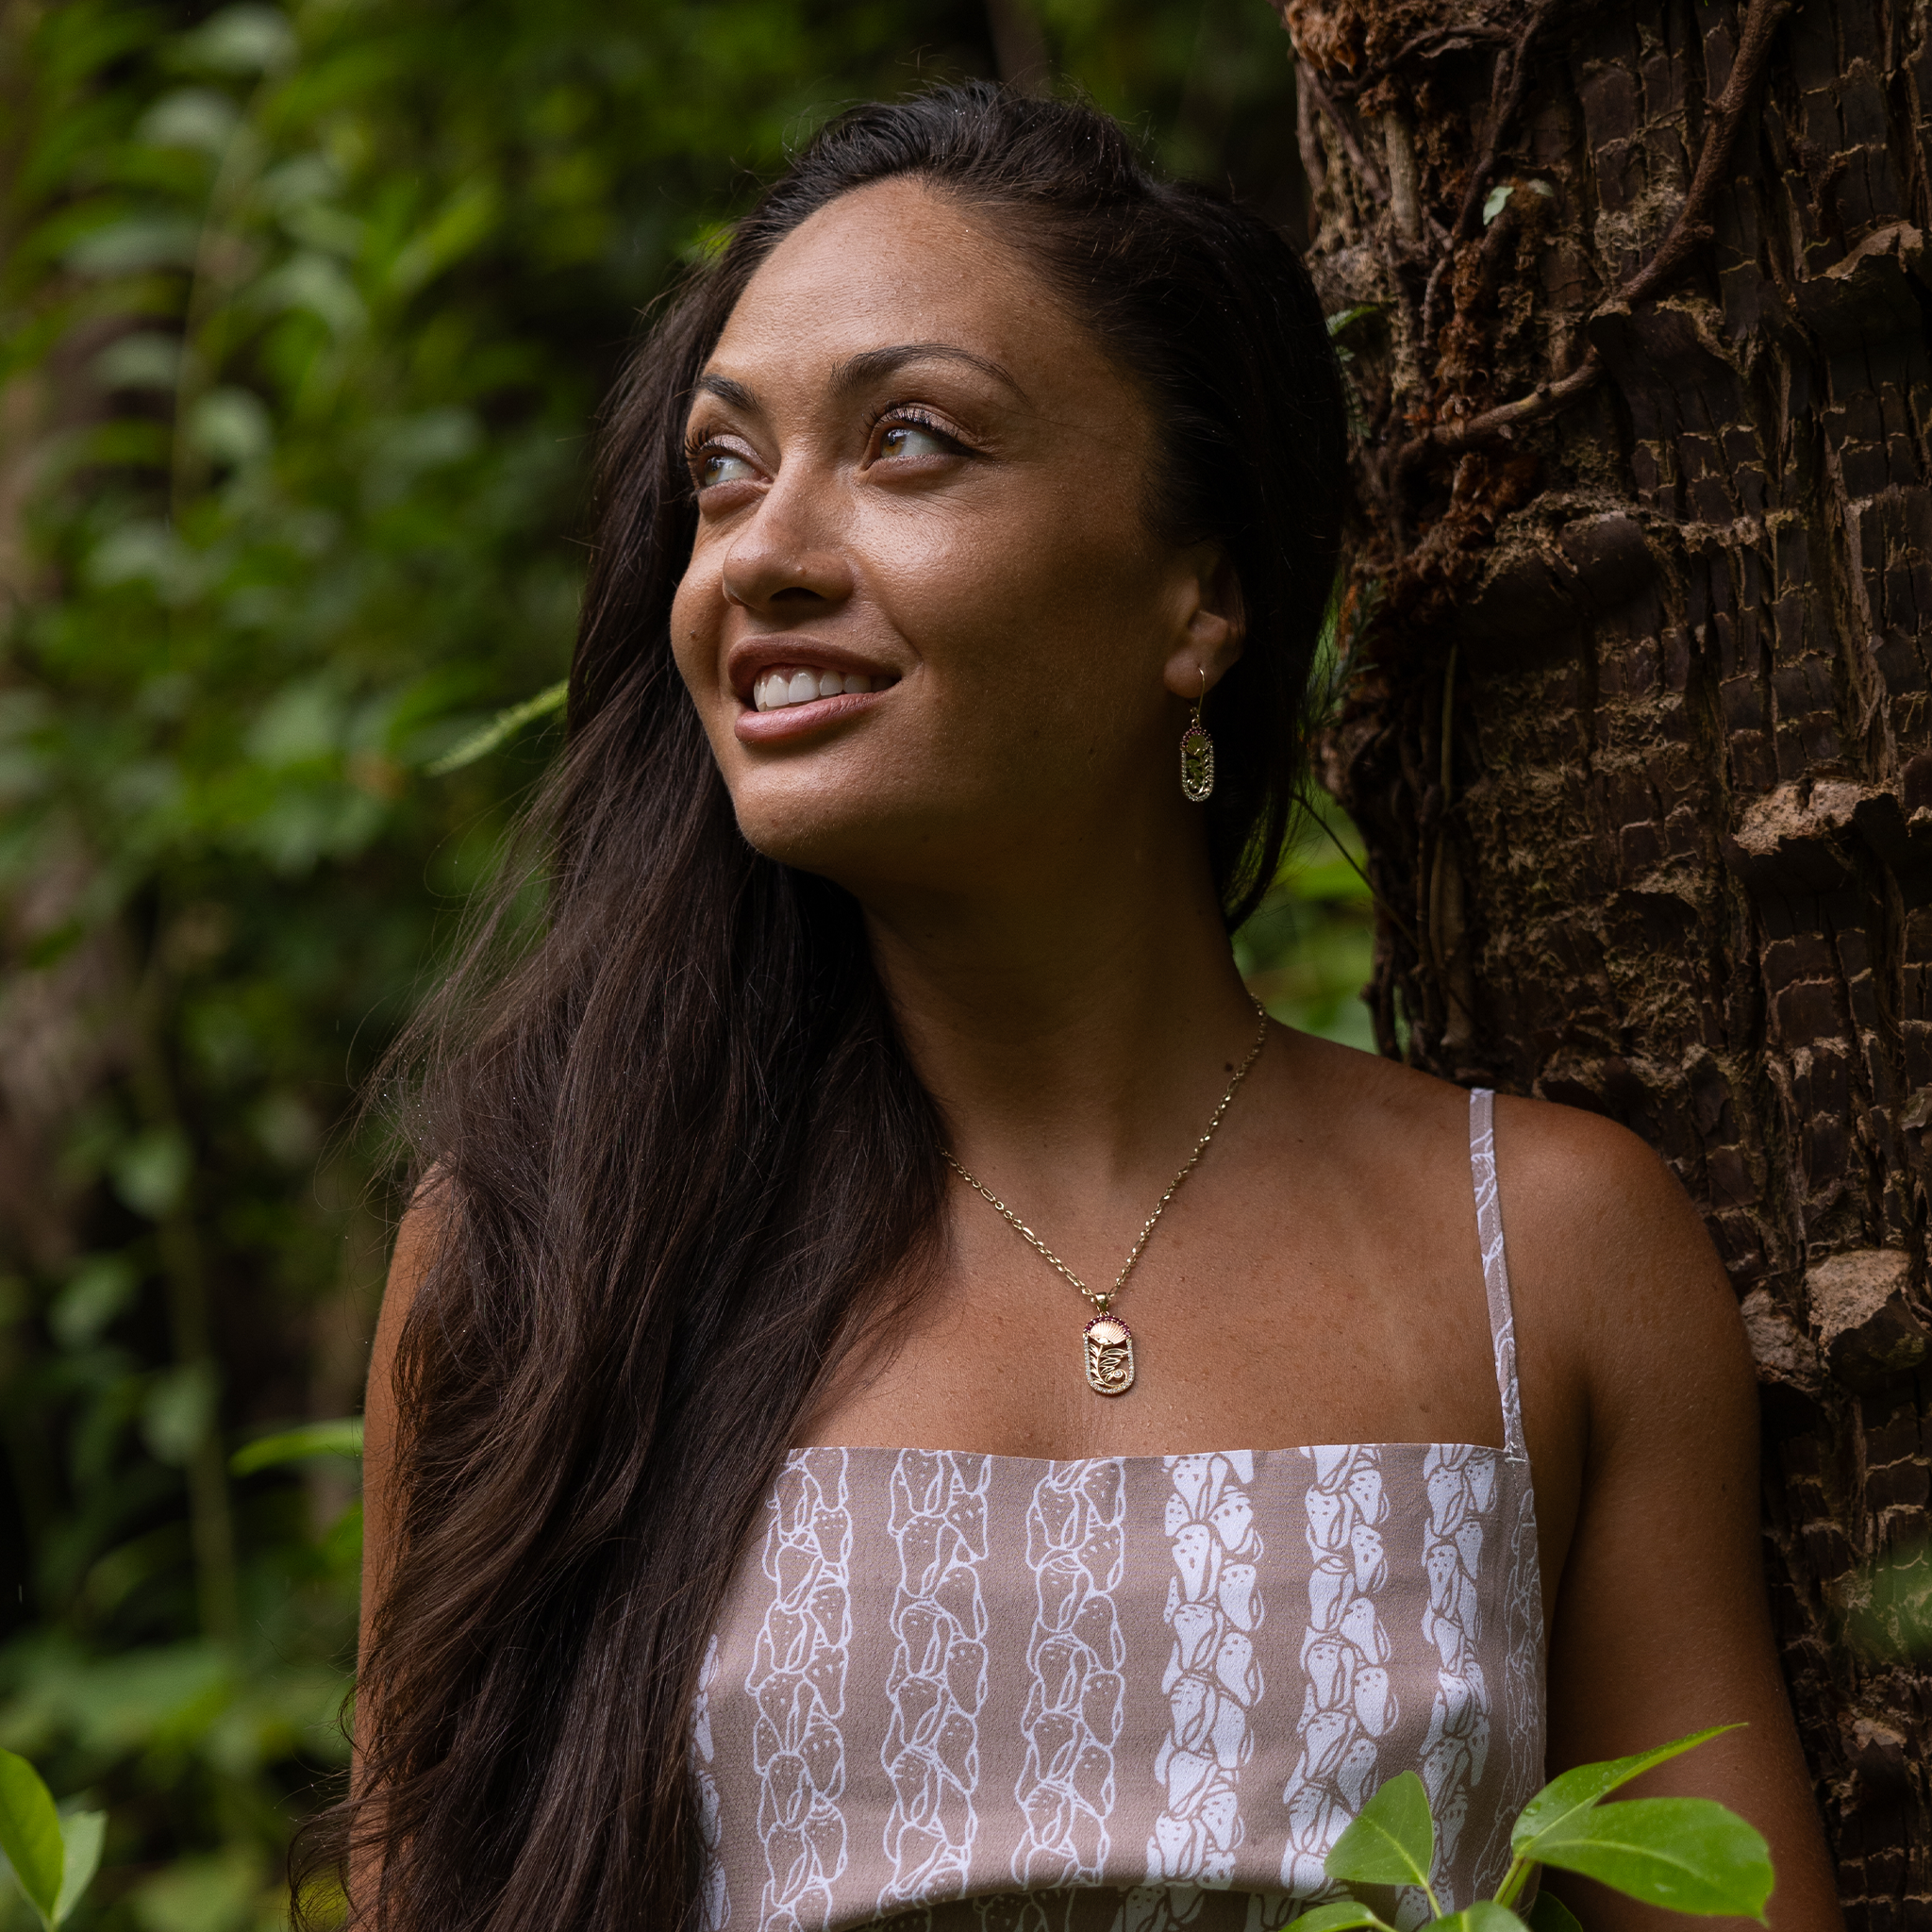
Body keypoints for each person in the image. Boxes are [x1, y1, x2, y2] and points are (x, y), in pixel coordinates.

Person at [323, 82, 1843, 1932]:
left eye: (909, 442)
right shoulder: (547, 1255)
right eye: (723, 469)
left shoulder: (1546, 1254)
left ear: (1197, 597)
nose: (759, 554)